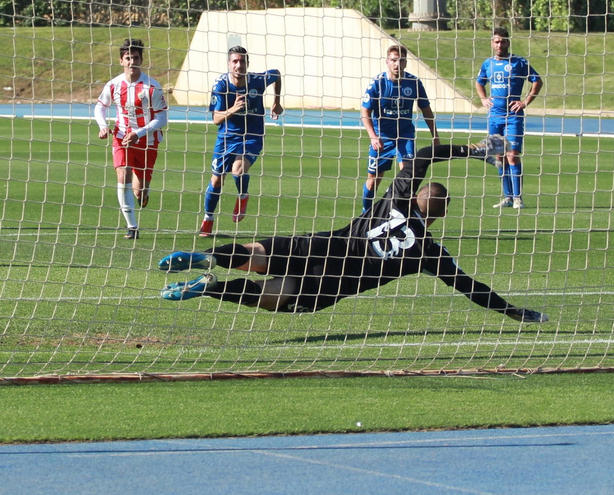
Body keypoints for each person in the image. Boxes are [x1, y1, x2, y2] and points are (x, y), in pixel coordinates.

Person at [156, 136, 547, 324]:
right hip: (331, 284)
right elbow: (469, 286)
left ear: (418, 196)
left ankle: (208, 258)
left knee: (257, 254)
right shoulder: (428, 252)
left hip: (321, 246)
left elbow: (427, 154)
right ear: (439, 217)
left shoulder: (395, 196)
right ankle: (209, 287)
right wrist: (512, 310)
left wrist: (476, 150)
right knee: (266, 295)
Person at [200, 46, 283, 237]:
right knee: (217, 179)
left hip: (252, 136)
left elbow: (277, 74)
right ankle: (208, 218)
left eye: (242, 61)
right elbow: (216, 119)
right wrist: (233, 109)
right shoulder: (221, 85)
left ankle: (243, 195)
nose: (239, 65)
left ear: (248, 63)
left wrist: (276, 101)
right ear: (229, 64)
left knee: (238, 169)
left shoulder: (257, 81)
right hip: (226, 138)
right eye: (235, 61)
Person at [95, 39, 167, 240]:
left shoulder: (152, 87)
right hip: (121, 138)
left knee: (139, 191)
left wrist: (140, 133)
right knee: (122, 176)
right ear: (121, 61)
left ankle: (143, 195)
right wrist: (103, 126)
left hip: (147, 141)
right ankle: (132, 226)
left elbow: (162, 118)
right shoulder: (114, 85)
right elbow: (100, 106)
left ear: (141, 60)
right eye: (128, 58)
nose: (131, 62)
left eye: (135, 58)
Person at [359, 44, 439, 215]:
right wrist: (373, 136)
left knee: (407, 177)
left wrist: (435, 136)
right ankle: (365, 213)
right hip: (382, 138)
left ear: (405, 63)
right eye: (394, 60)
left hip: (405, 136)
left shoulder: (414, 83)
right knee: (373, 181)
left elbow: (426, 110)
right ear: (387, 62)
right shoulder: (377, 83)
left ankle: (404, 215)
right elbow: (365, 111)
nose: (397, 64)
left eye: (401, 60)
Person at [474, 27, 543, 209]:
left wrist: (525, 101)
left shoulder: (518, 62)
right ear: (492, 43)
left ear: (508, 43)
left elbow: (537, 80)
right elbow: (479, 82)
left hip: (513, 116)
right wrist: (483, 98)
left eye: (503, 41)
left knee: (512, 155)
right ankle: (507, 197)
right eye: (496, 41)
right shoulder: (487, 64)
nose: (499, 45)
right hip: (494, 116)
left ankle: (518, 197)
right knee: (499, 156)